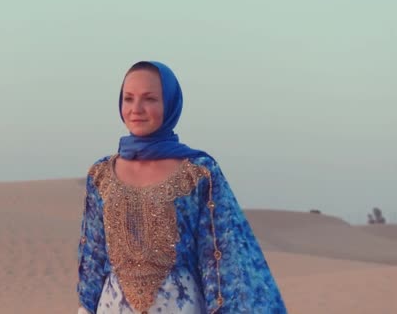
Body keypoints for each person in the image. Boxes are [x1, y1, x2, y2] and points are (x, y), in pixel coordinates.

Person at [76, 61, 287, 313]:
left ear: (170, 102)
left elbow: (219, 258)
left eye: (150, 99)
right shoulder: (100, 175)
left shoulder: (199, 172)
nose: (137, 109)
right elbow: (93, 255)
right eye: (128, 98)